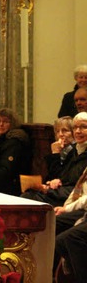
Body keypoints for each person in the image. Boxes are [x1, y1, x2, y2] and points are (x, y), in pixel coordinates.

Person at [22, 116, 87, 206]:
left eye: (64, 130)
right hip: (61, 191)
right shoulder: (74, 150)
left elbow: (73, 183)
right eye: (57, 131)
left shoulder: (73, 150)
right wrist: (53, 182)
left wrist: (48, 188)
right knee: (29, 194)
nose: (60, 134)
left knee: (29, 197)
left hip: (72, 196)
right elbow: (58, 177)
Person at [54, 112, 87, 279]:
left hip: (80, 208)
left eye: (83, 127)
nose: (79, 131)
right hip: (75, 202)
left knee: (68, 238)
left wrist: (66, 209)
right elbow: (76, 186)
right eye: (76, 128)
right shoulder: (74, 151)